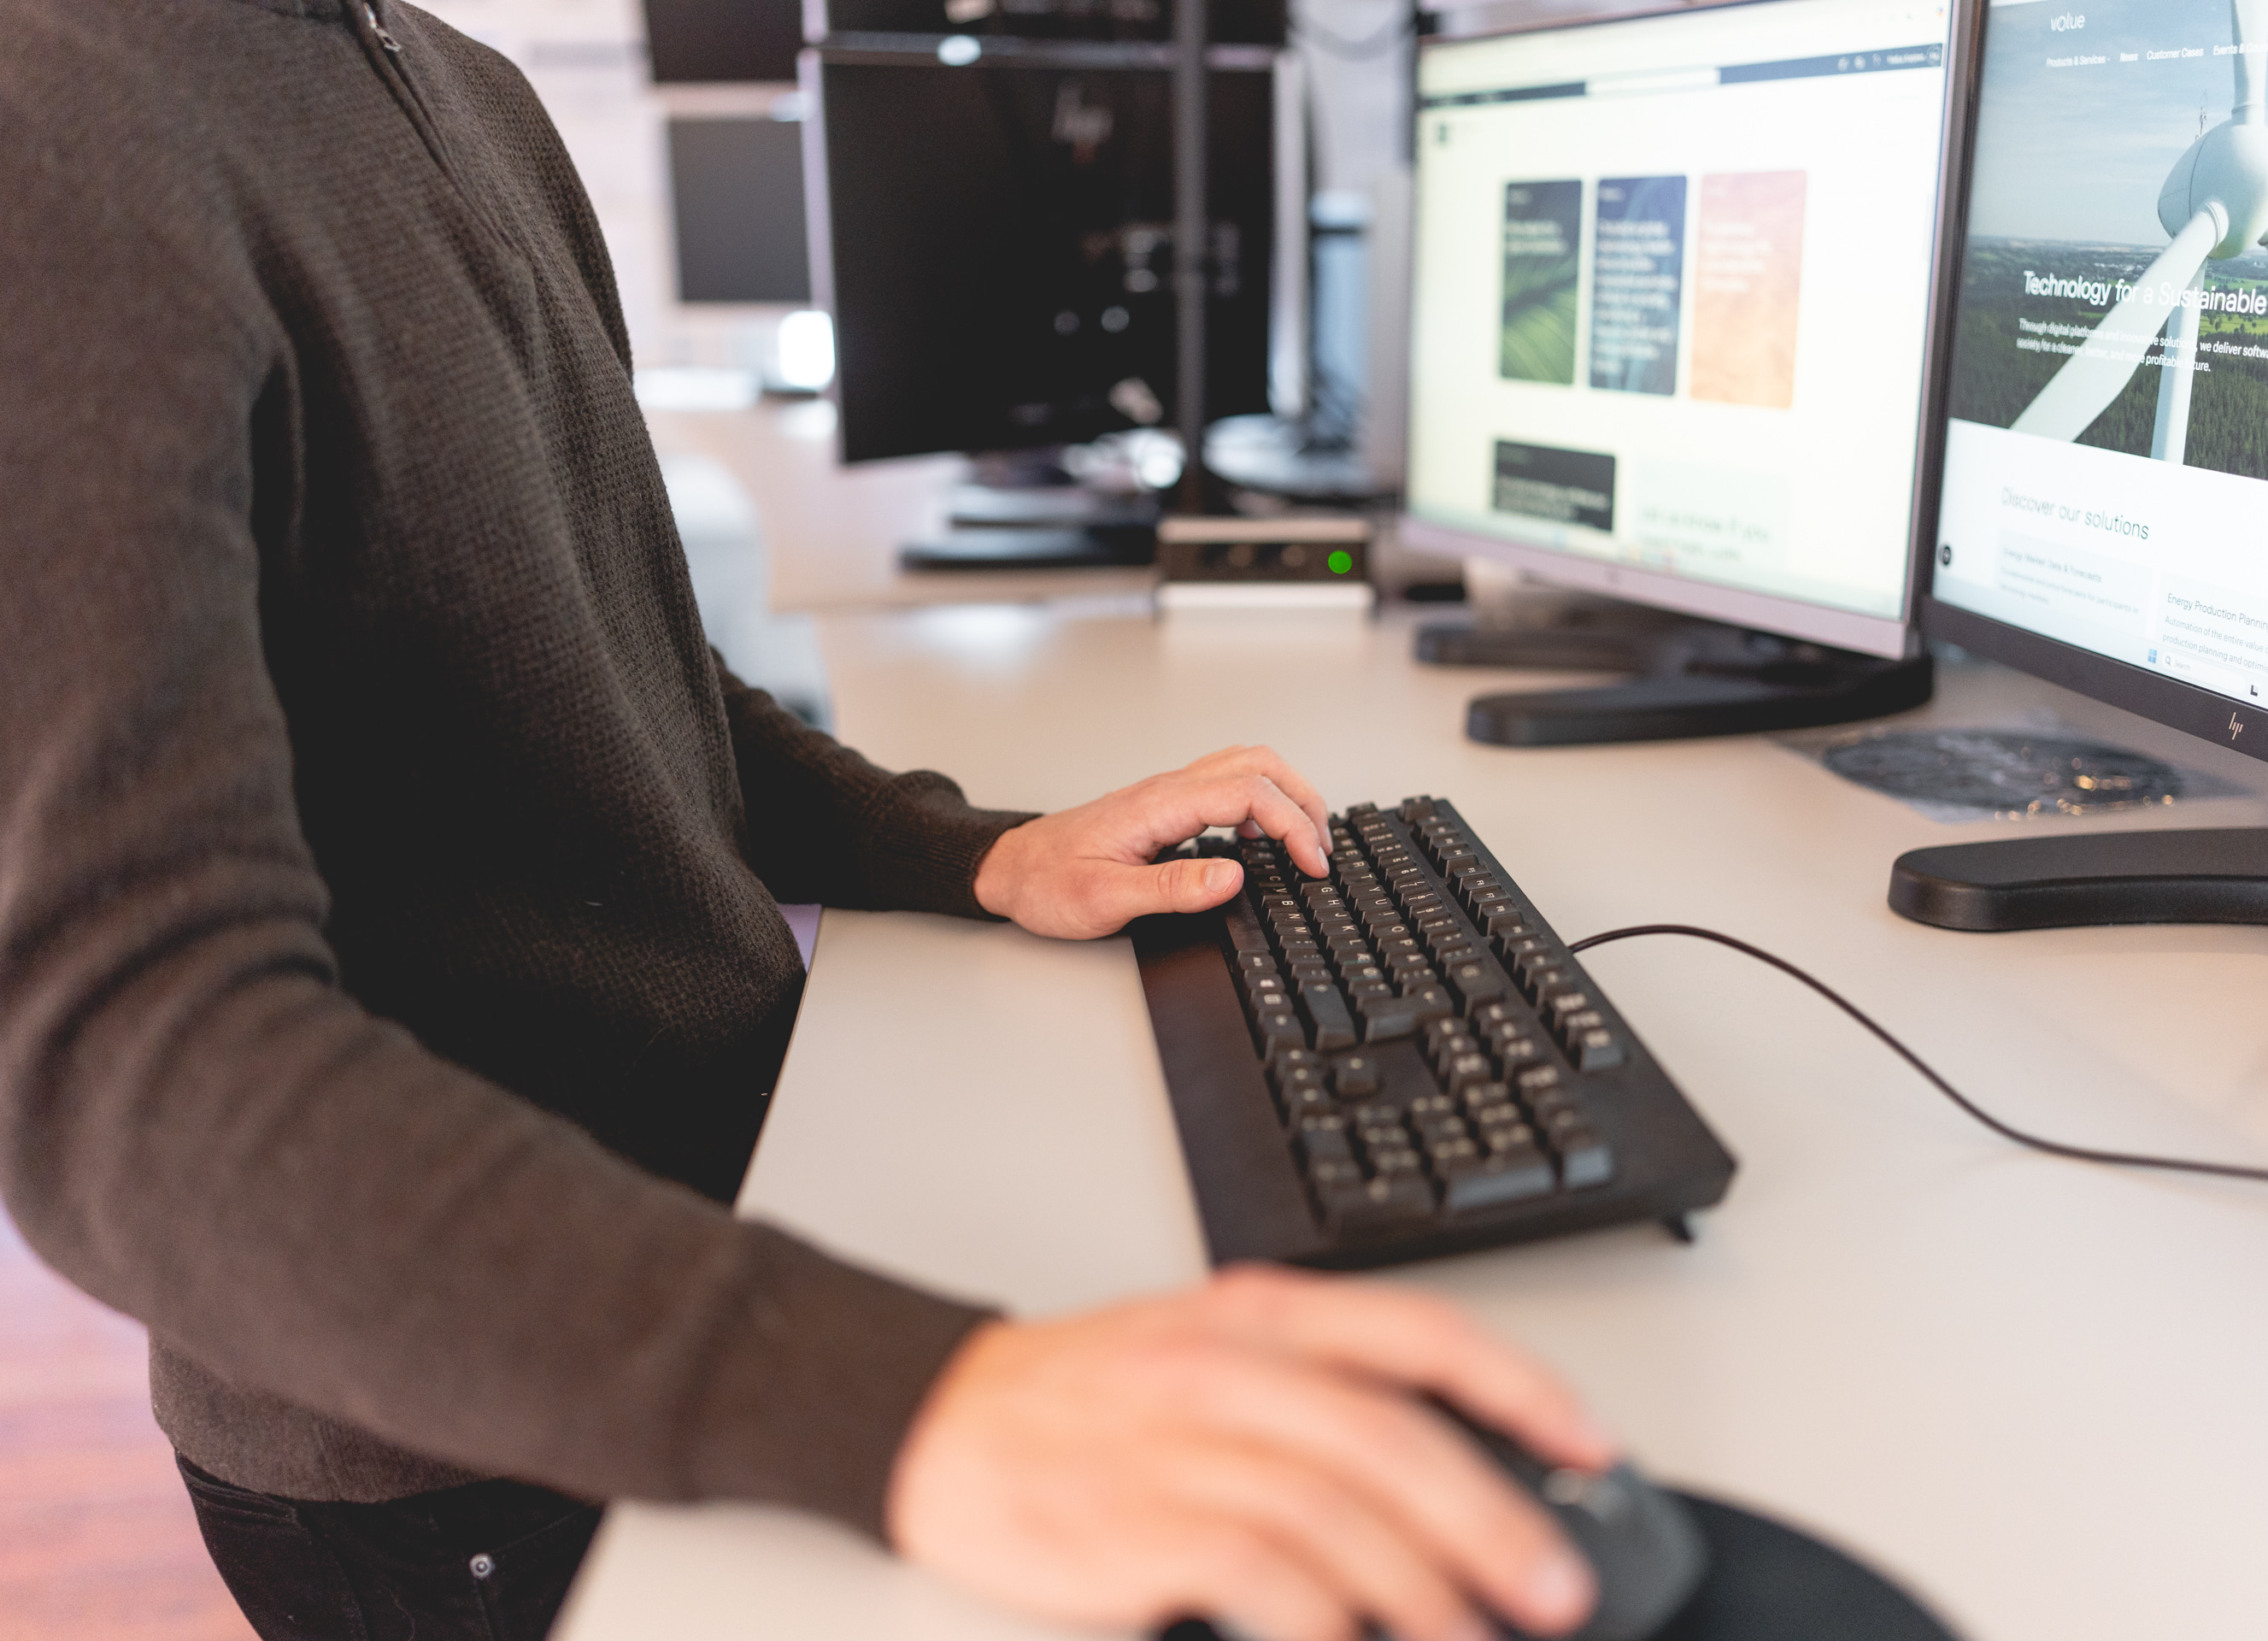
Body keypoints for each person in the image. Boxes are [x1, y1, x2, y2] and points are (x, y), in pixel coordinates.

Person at [0, 4, 1615, 1639]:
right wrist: (911, 1403)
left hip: (741, 1226)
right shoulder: (57, 121)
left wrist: (975, 849)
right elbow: (120, 1056)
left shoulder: (456, 83)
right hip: (474, 1437)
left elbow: (619, 657)